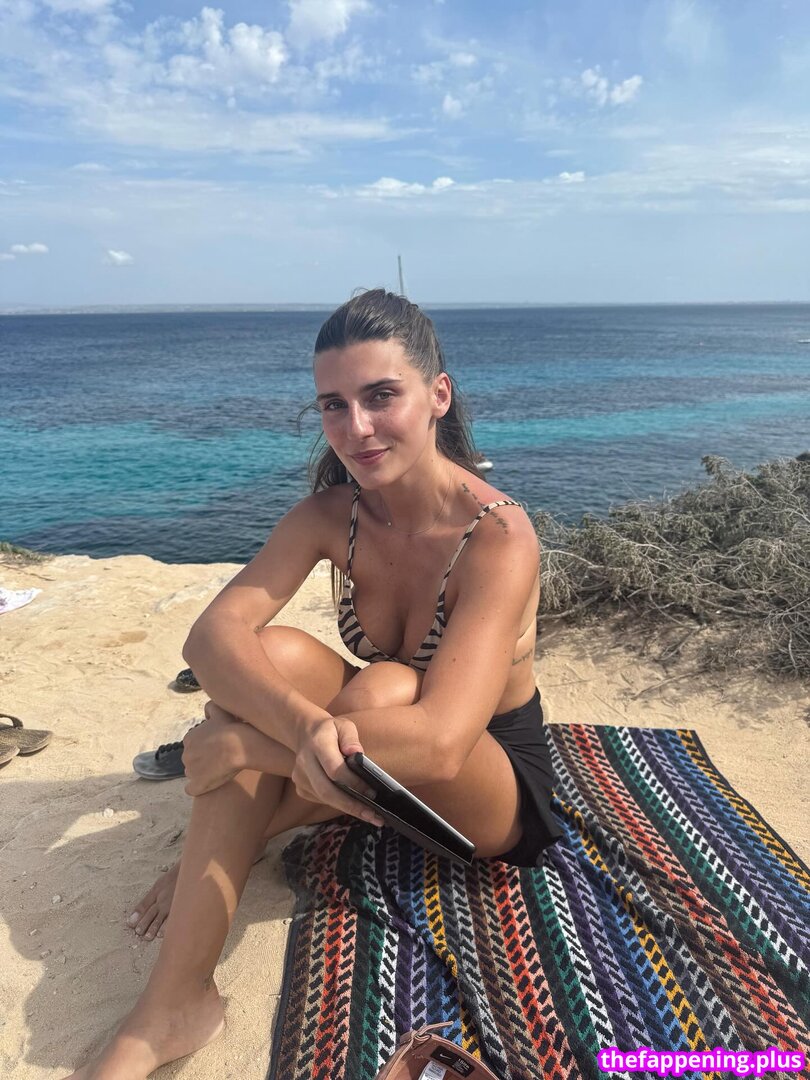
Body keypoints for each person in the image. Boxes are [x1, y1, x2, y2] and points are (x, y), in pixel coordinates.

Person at [65, 289, 561, 1080]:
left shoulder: (497, 535)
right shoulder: (333, 515)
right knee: (275, 659)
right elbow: (212, 637)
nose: (356, 427)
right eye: (334, 404)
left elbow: (441, 743)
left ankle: (232, 842)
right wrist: (293, 727)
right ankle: (174, 1003)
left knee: (364, 696)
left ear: (438, 395)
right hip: (368, 749)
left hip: (488, 787)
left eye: (381, 396)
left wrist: (246, 747)